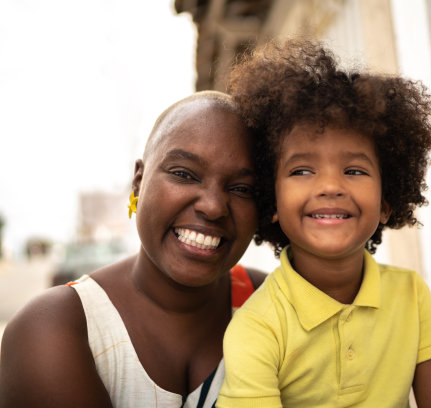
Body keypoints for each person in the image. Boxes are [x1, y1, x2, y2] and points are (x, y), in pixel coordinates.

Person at [217, 40, 431, 407]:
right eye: (301, 170)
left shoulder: (411, 295)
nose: (331, 186)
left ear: (385, 203)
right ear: (271, 200)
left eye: (354, 170)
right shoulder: (257, 327)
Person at [0, 91, 267, 408]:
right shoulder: (56, 329)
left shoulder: (275, 306)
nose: (212, 207)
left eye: (242, 189)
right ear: (138, 181)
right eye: (183, 174)